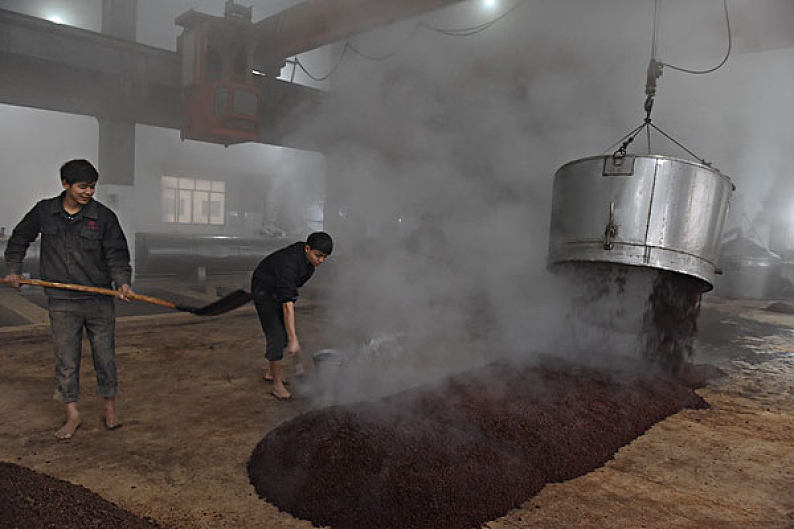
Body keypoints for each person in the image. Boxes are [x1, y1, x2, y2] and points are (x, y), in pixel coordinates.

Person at [3, 159, 133, 439]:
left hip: (98, 299)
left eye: (93, 187)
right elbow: (18, 240)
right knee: (66, 359)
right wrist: (13, 270)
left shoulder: (104, 217)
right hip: (62, 300)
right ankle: (72, 414)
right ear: (65, 184)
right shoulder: (44, 212)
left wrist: (122, 282)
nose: (89, 192)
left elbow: (117, 255)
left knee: (105, 357)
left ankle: (110, 407)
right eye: (83, 186)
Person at [251, 232, 333, 400]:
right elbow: (287, 306)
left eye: (325, 257)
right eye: (318, 256)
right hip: (264, 290)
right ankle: (277, 385)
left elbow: (289, 298)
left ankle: (271, 372)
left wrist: (290, 329)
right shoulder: (289, 264)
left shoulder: (309, 263)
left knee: (283, 328)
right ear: (307, 248)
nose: (321, 261)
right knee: (276, 336)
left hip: (279, 289)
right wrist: (293, 338)